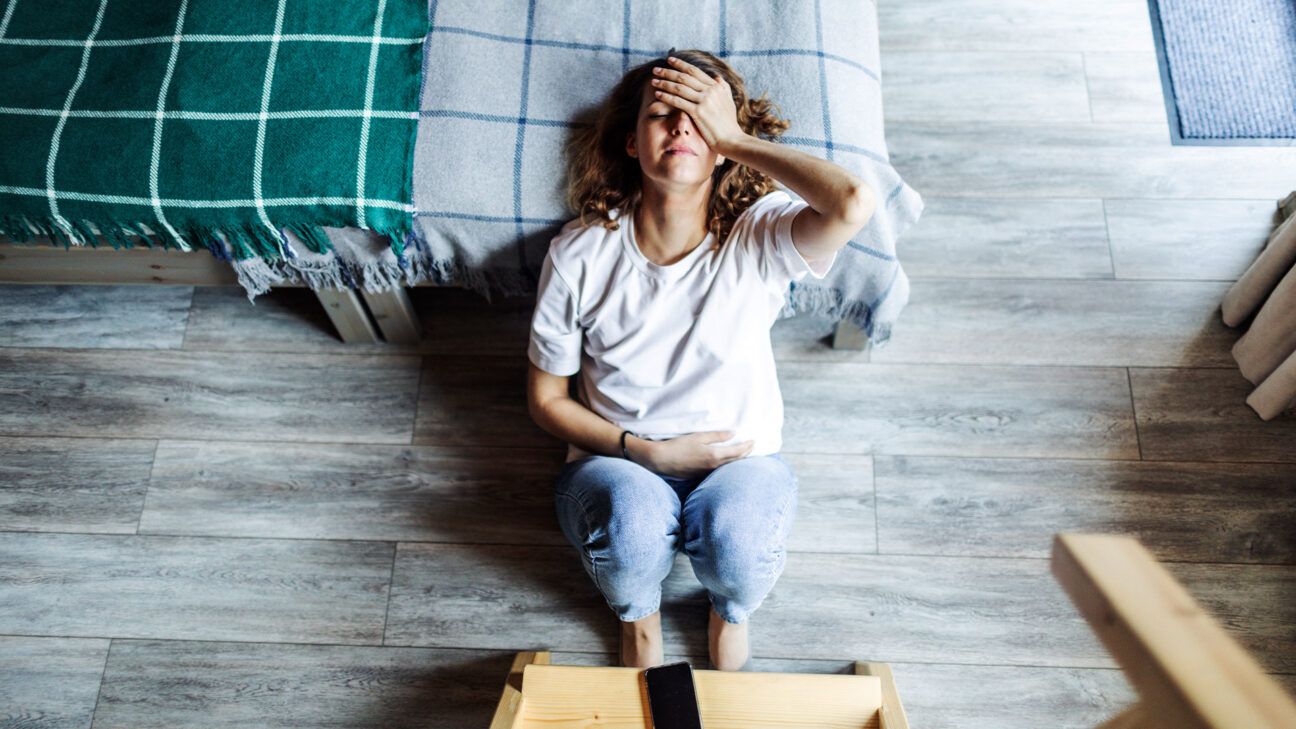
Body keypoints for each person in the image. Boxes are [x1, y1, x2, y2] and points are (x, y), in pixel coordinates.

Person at [526, 49, 875, 671]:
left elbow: (851, 202)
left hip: (740, 465)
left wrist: (734, 135)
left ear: (721, 147)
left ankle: (729, 610)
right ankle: (637, 616)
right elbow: (547, 399)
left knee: (738, 545)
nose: (682, 127)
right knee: (632, 530)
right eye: (663, 114)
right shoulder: (580, 254)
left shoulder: (760, 233)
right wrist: (645, 451)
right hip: (619, 462)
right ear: (632, 143)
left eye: (699, 119)